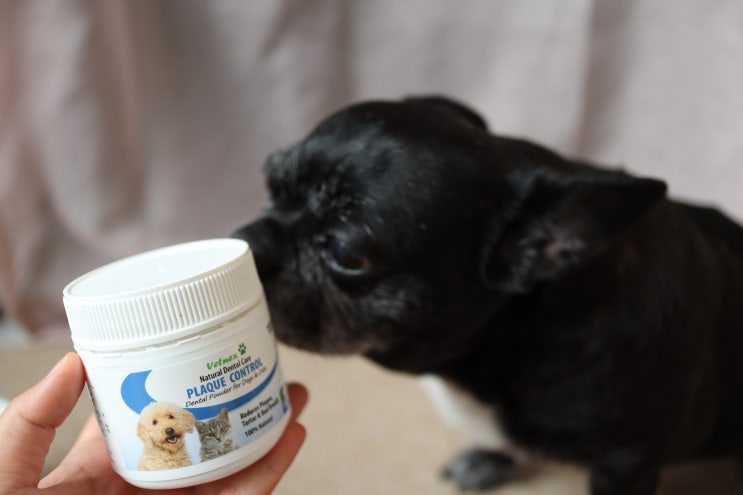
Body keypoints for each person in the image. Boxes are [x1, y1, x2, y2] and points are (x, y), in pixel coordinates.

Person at [0, 353, 307, 495]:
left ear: (184, 420)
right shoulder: (146, 465)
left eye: (171, 418)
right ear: (145, 432)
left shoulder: (185, 449)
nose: (168, 427)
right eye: (157, 423)